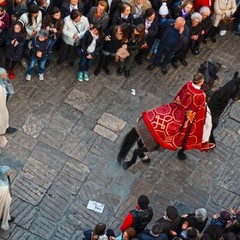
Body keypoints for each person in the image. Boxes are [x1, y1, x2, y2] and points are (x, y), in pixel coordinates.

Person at [142, 73, 215, 154]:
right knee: (207, 124)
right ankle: (202, 142)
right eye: (202, 80)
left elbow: (180, 95)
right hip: (187, 115)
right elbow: (200, 110)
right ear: (201, 82)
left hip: (178, 108)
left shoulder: (188, 84)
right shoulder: (201, 95)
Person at [0, 165, 15, 231]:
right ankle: (4, 221)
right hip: (3, 194)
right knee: (4, 207)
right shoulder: (4, 188)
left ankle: (5, 217)